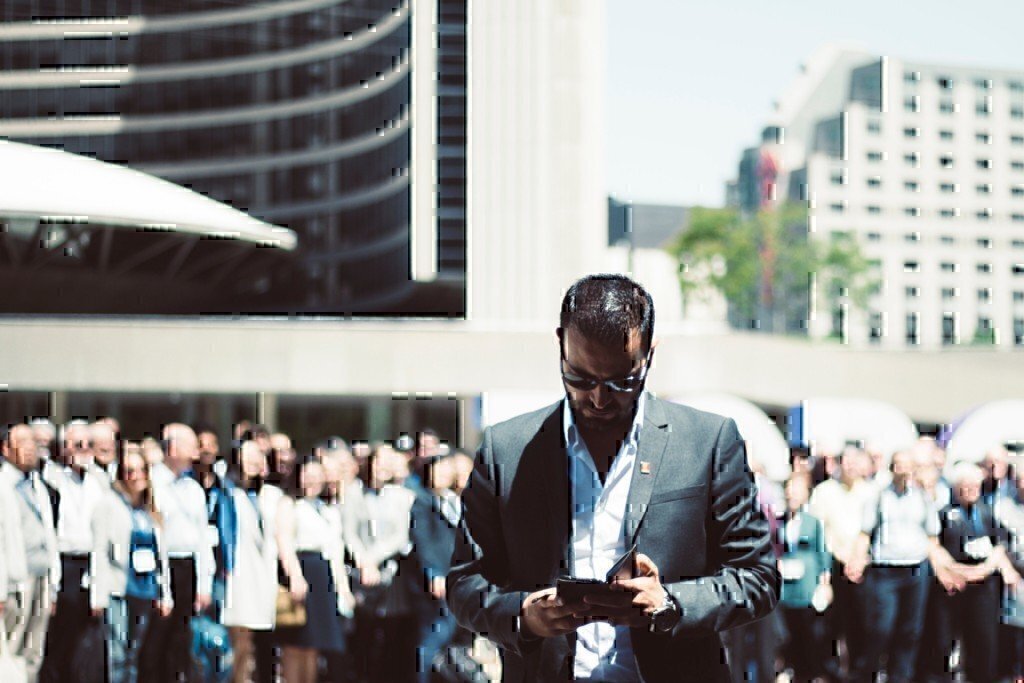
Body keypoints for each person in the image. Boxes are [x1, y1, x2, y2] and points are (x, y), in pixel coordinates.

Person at [447, 274, 779, 682]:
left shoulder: (708, 441)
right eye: (580, 378)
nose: (600, 398)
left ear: (650, 355)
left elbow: (758, 576)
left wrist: (672, 603)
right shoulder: (507, 449)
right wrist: (523, 616)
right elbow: (465, 583)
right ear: (560, 344)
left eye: (622, 381)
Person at [844, 450, 951, 683]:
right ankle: (866, 673)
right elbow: (864, 533)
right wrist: (856, 560)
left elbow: (932, 538)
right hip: (886, 570)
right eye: (898, 466)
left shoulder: (922, 498)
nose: (903, 471)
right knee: (881, 628)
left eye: (907, 466)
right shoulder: (880, 496)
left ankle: (900, 677)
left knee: (910, 631)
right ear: (892, 468)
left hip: (915, 569)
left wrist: (945, 569)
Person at [924, 463, 1020, 683]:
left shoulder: (987, 511)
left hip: (984, 586)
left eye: (974, 485)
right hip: (953, 585)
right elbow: (934, 546)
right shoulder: (944, 513)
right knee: (943, 642)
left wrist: (982, 570)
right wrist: (959, 571)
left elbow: (1000, 545)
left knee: (983, 643)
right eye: (964, 486)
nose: (970, 490)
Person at [91, 446, 174, 683]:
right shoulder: (108, 504)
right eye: (129, 471)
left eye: (140, 471)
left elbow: (161, 556)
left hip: (145, 589)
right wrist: (98, 595)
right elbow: (99, 551)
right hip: (118, 588)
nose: (135, 476)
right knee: (117, 653)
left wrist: (164, 593)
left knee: (135, 654)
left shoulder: (151, 510)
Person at [142, 423, 215, 683]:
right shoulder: (152, 483)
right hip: (160, 567)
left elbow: (202, 538)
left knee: (179, 641)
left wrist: (204, 583)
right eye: (190, 445)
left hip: (187, 568)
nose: (196, 452)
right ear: (171, 448)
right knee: (154, 643)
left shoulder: (193, 488)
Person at [39, 420, 109, 683]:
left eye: (88, 444)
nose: (83, 450)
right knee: (60, 638)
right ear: (64, 447)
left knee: (86, 639)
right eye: (76, 444)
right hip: (64, 563)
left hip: (91, 564)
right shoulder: (52, 479)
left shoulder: (100, 481)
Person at [275, 457, 353, 683]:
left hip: (323, 575)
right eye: (308, 476)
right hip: (302, 570)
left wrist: (343, 589)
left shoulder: (327, 509)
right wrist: (295, 577)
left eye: (317, 477)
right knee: (295, 643)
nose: (312, 481)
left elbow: (335, 551)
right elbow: (285, 541)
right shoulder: (290, 504)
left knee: (315, 645)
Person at [348, 443, 418, 682]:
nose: (384, 466)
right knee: (363, 637)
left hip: (392, 576)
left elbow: (400, 536)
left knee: (391, 637)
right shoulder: (354, 492)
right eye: (380, 460)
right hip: (362, 576)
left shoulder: (402, 496)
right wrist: (364, 562)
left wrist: (373, 558)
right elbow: (350, 533)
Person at [807, 446, 874, 678]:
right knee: (829, 624)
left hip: (861, 566)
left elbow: (871, 532)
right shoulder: (825, 491)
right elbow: (819, 530)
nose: (851, 466)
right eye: (847, 461)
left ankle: (858, 671)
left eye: (856, 461)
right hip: (832, 564)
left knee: (860, 623)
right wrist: (840, 557)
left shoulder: (869, 492)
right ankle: (829, 671)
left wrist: (858, 559)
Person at [0, 424, 60, 683]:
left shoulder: (38, 485)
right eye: (22, 443)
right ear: (6, 448)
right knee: (10, 650)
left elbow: (49, 535)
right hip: (15, 582)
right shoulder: (3, 486)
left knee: (35, 651)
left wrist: (54, 583)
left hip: (42, 578)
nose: (29, 449)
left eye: (33, 443)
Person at [222, 440, 278, 683]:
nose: (257, 461)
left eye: (260, 455)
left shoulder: (262, 495)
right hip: (236, 575)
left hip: (257, 576)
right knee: (237, 643)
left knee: (250, 644)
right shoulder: (228, 493)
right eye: (250, 455)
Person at [407, 453, 461, 682]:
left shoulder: (454, 501)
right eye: (438, 470)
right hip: (434, 582)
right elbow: (423, 541)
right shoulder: (423, 501)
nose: (442, 475)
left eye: (447, 470)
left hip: (456, 578)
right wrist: (434, 574)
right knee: (433, 636)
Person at [775, 473, 831, 683]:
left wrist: (824, 582)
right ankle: (790, 669)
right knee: (787, 631)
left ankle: (812, 672)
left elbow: (822, 552)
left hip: (807, 584)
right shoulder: (779, 521)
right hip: (786, 586)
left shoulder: (813, 522)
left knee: (810, 632)